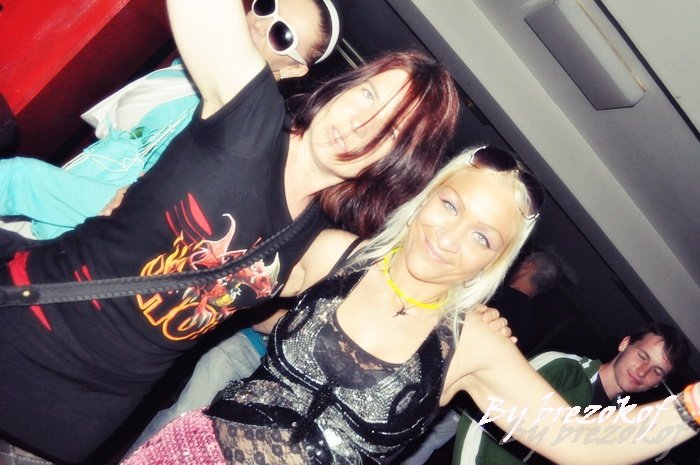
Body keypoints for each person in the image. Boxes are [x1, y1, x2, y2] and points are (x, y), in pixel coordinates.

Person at [0, 0, 460, 462]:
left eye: (393, 131)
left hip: (68, 425)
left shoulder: (319, 242)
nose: (363, 125)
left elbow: (418, 297)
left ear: (394, 163)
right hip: (21, 330)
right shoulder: (250, 118)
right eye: (368, 96)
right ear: (343, 88)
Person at [122, 147, 700, 465]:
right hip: (190, 454)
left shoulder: (473, 343)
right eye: (450, 206)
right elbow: (214, 283)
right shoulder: (336, 256)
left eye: (482, 237)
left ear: (494, 262)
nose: (449, 239)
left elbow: (578, 440)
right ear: (426, 198)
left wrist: (691, 409)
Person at [0, 0, 341, 240]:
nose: (258, 23)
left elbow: (141, 206)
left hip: (58, 234)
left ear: (292, 68)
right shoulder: (189, 70)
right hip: (40, 210)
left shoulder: (228, 124)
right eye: (267, 6)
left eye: (281, 35)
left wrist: (21, 182)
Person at [394, 250, 564, 465]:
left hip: (435, 384)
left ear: (528, 267)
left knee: (399, 439)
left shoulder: (494, 295)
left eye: (523, 262)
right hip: (467, 405)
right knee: (420, 448)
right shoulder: (529, 325)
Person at [454, 322, 691, 465]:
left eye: (657, 371)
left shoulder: (619, 423)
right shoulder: (563, 367)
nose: (642, 371)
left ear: (658, 384)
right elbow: (484, 411)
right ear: (625, 344)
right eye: (642, 356)